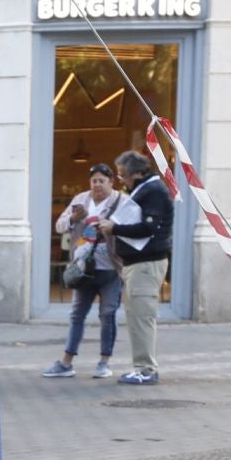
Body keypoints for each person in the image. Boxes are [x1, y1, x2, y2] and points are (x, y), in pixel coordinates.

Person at [42, 163, 138, 379]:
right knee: (77, 314)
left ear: (111, 182)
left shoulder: (122, 201)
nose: (97, 185)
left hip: (110, 269)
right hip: (83, 269)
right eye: (94, 181)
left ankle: (104, 362)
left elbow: (133, 228)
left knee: (108, 314)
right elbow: (59, 226)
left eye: (102, 181)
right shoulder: (80, 200)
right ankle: (66, 362)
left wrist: (113, 228)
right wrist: (73, 219)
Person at [99, 149, 174, 385]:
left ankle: (146, 369)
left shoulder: (153, 190)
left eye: (124, 175)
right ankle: (142, 367)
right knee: (135, 316)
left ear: (138, 173)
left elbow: (147, 227)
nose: (123, 180)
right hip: (137, 263)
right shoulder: (146, 189)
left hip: (146, 263)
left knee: (141, 316)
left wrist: (115, 228)